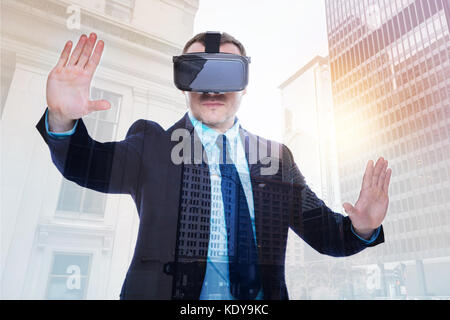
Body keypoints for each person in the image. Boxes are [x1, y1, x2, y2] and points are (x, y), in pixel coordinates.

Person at [35, 31, 391, 300]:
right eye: (198, 72)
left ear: (244, 85)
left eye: (226, 73)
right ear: (184, 85)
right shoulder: (152, 144)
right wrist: (62, 120)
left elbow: (325, 234)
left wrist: (361, 228)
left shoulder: (275, 159)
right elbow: (87, 165)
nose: (212, 87)